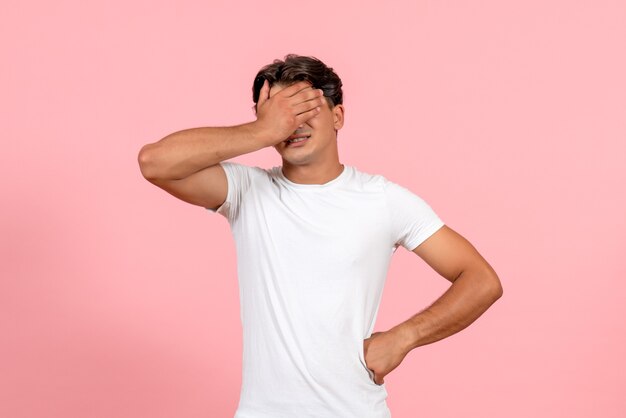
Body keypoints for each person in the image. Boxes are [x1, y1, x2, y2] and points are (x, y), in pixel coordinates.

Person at [137, 54, 503, 418]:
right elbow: (155, 162)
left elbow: (481, 281)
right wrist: (262, 132)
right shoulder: (247, 190)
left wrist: (404, 337)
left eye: (305, 108)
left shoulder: (384, 200)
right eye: (282, 112)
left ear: (338, 116)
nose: (293, 123)